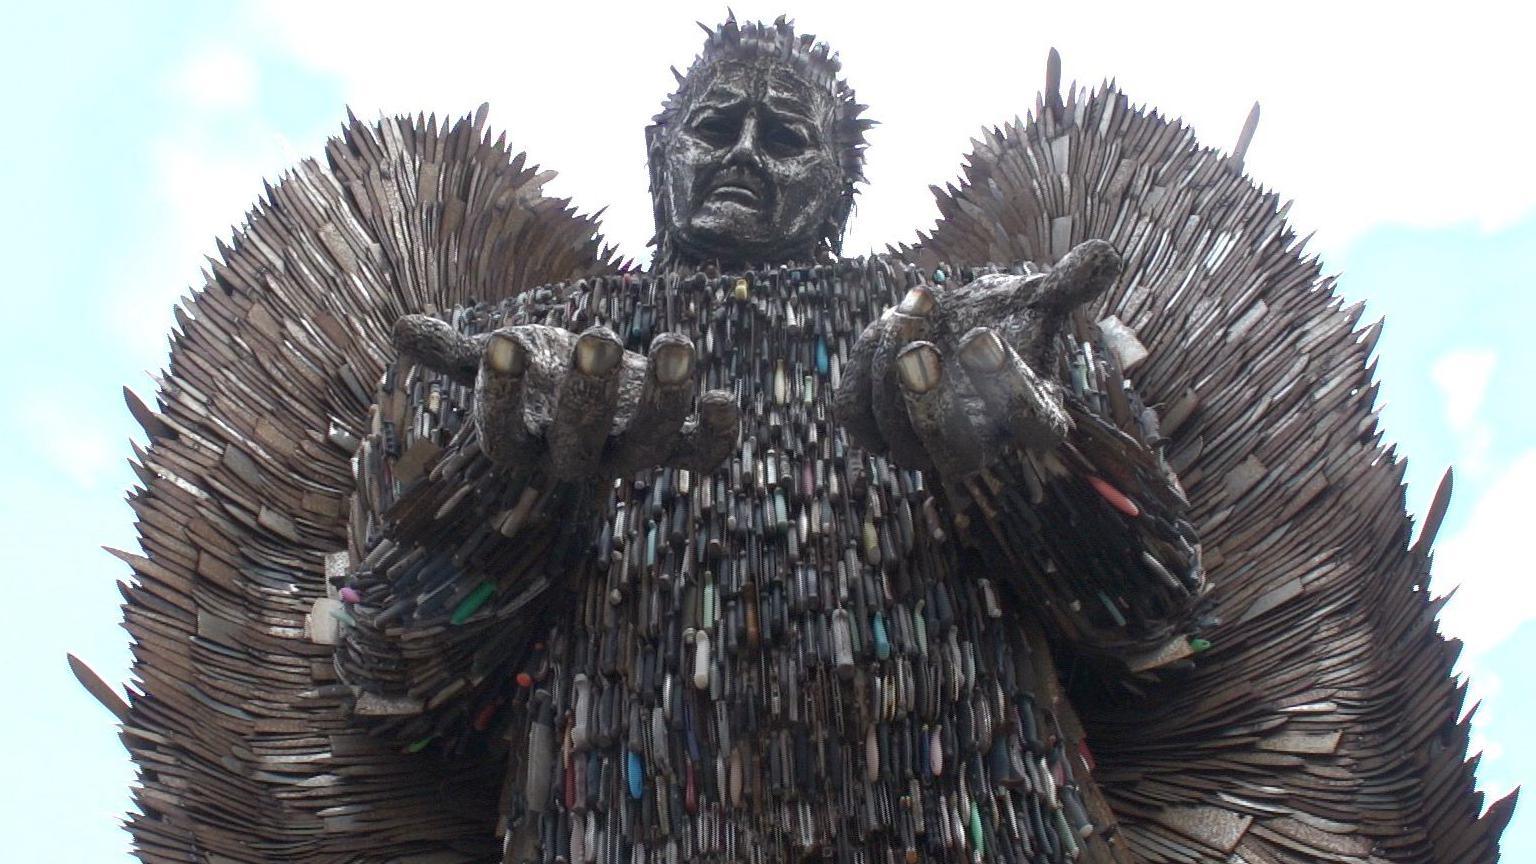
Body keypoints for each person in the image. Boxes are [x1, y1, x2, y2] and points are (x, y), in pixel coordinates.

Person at [92, 15, 1509, 864]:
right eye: (718, 127)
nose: (746, 156)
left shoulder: (973, 325)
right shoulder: (515, 345)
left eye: (788, 136)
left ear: (842, 178)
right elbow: (400, 683)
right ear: (659, 156)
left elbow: (1157, 631)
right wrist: (497, 500)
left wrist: (1028, 462)